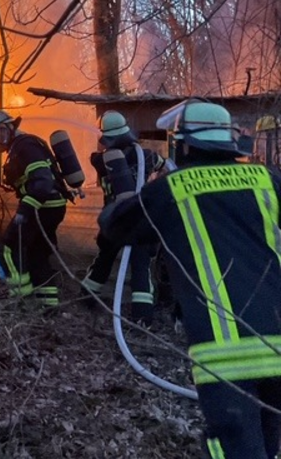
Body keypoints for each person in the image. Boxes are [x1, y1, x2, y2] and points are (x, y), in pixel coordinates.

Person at [99, 99, 281, 458]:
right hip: (279, 341)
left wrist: (115, 204)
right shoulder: (268, 181)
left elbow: (117, 226)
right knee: (268, 440)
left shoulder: (173, 189)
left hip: (226, 349)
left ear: (182, 145)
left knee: (233, 446)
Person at [80, 110, 166, 326]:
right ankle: (142, 317)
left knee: (104, 261)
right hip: (140, 222)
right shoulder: (146, 156)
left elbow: (99, 159)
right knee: (140, 267)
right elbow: (164, 166)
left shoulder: (101, 160)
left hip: (115, 222)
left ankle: (85, 299)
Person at [0, 109, 70, 309]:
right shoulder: (20, 147)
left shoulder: (26, 147)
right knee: (37, 254)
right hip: (51, 206)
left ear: (10, 127)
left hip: (42, 207)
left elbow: (42, 183)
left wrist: (24, 212)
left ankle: (21, 299)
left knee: (6, 246)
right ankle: (48, 306)